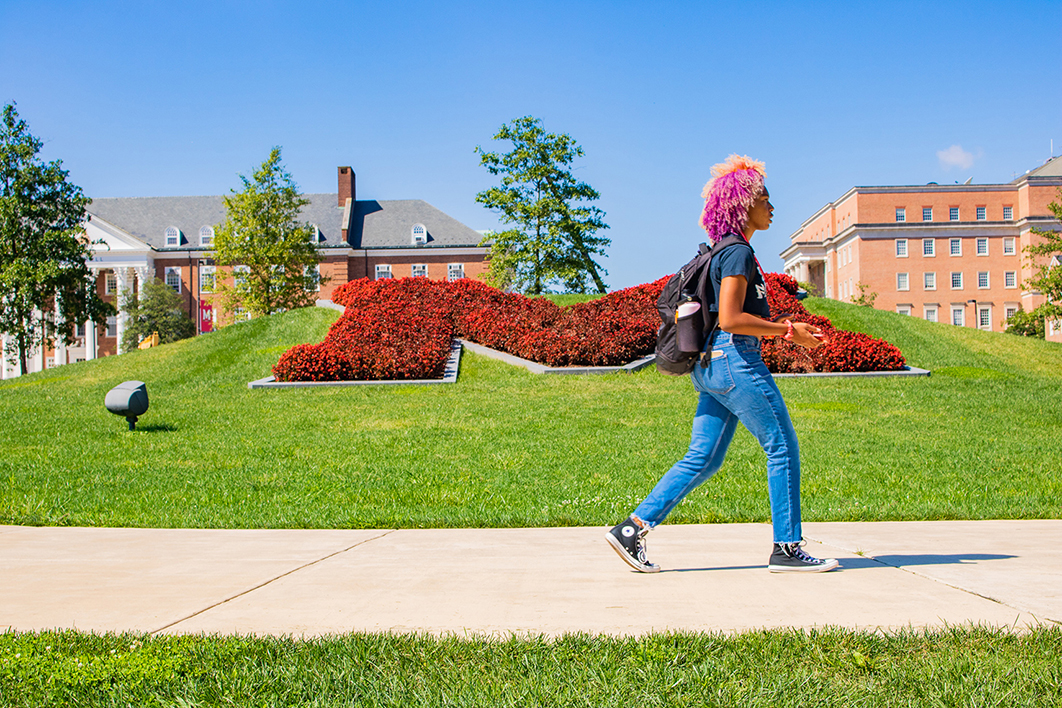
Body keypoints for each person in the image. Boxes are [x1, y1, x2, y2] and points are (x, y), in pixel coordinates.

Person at [606, 155, 839, 573]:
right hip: (735, 361)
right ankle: (786, 549)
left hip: (712, 366)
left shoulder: (723, 252)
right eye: (765, 198)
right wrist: (789, 331)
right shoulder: (737, 254)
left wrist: (783, 326)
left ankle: (632, 528)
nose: (772, 207)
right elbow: (732, 318)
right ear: (743, 204)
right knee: (782, 448)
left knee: (704, 457)